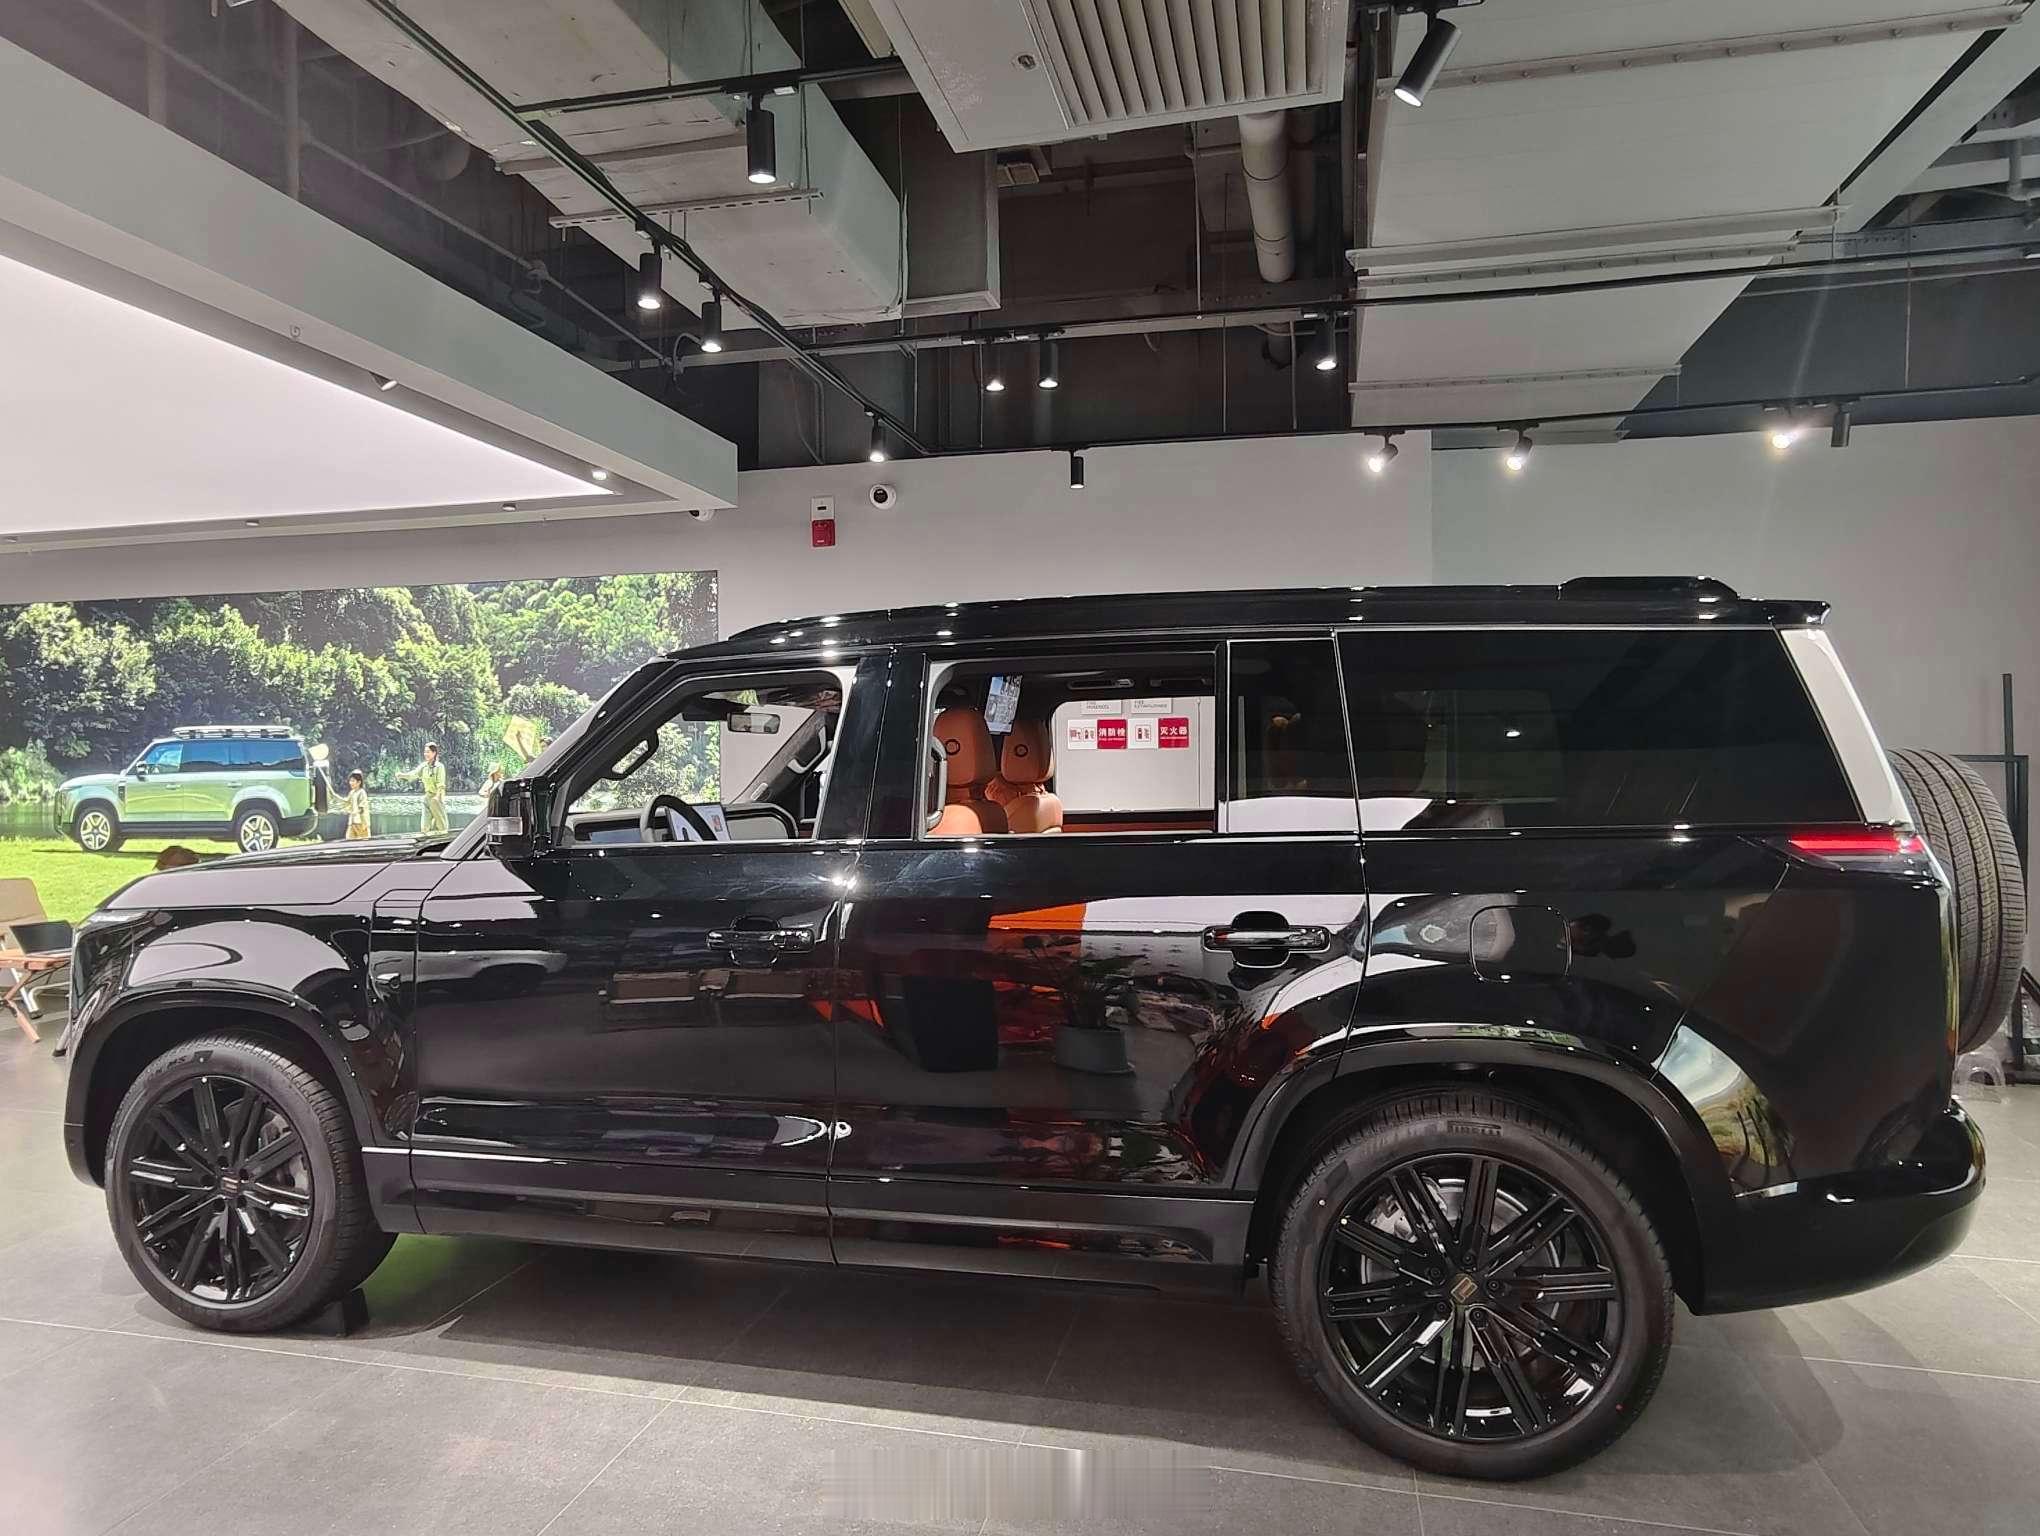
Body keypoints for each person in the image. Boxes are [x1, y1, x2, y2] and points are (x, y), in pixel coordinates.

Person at [397, 741, 449, 835]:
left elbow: (441, 784)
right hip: (427, 797)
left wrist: (437, 797)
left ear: (434, 753)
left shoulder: (439, 767)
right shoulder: (424, 766)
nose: (426, 754)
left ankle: (443, 838)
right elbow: (413, 774)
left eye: (428, 752)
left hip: (437, 798)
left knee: (441, 825)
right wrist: (402, 775)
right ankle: (425, 836)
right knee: (424, 826)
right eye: (425, 752)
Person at [344, 770, 372, 840]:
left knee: (363, 841)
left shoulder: (362, 792)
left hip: (361, 823)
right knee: (349, 839)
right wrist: (334, 796)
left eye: (353, 781)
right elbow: (346, 802)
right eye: (350, 781)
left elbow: (361, 808)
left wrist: (354, 812)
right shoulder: (352, 792)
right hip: (352, 822)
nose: (351, 783)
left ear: (359, 782)